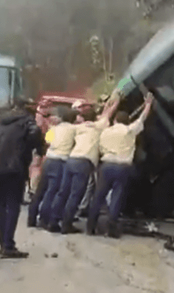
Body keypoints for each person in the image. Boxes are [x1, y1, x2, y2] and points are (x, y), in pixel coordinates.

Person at [48, 91, 120, 234]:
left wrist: (107, 104)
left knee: (63, 192)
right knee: (76, 194)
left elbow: (104, 114)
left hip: (71, 160)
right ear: (95, 118)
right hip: (84, 163)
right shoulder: (98, 127)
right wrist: (115, 101)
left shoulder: (78, 127)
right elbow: (108, 115)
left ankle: (53, 221)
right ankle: (67, 225)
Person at [0, 98, 46, 258]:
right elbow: (37, 140)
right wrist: (36, 150)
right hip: (15, 169)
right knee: (12, 205)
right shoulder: (28, 122)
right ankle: (8, 245)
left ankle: (2, 244)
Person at [86, 92, 154, 237]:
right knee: (117, 196)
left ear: (115, 120)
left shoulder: (105, 131)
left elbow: (105, 117)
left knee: (98, 195)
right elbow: (142, 118)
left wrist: (113, 103)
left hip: (105, 166)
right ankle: (111, 228)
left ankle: (90, 226)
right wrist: (148, 104)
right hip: (123, 167)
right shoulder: (129, 131)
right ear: (127, 121)